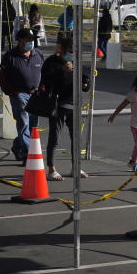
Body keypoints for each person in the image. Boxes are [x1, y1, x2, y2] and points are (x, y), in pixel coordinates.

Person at [40, 36, 91, 181]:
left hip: (74, 104)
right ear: (62, 49)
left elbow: (83, 81)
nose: (72, 53)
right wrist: (61, 70)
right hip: (57, 104)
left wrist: (86, 85)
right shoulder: (52, 62)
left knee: (76, 138)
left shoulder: (76, 62)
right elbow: (45, 80)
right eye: (70, 49)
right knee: (54, 137)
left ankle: (76, 166)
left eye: (74, 50)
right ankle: (51, 168)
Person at [0, 28, 45, 163]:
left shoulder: (38, 54)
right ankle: (28, 154)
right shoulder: (10, 56)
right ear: (20, 41)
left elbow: (44, 74)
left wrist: (42, 88)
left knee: (33, 125)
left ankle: (18, 145)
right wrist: (13, 92)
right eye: (28, 40)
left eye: (32, 40)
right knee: (23, 122)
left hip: (35, 94)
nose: (31, 42)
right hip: (20, 94)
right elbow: (3, 78)